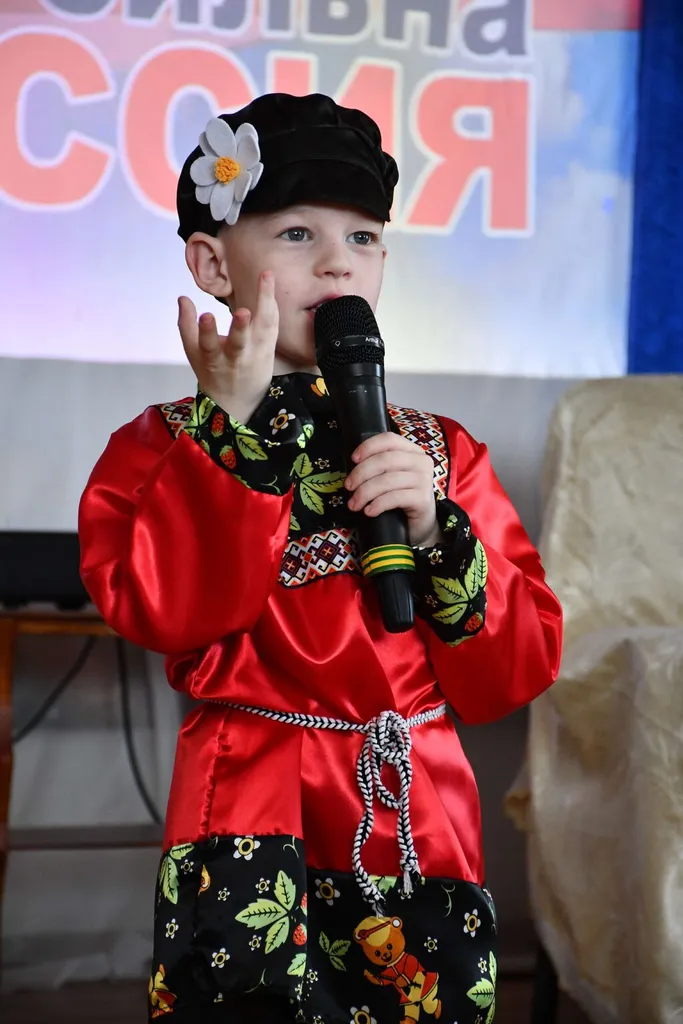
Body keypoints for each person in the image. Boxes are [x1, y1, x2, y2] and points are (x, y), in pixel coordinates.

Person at [79, 92, 562, 1024]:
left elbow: (517, 668)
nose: (339, 260)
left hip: (407, 804)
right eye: (298, 233)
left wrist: (435, 532)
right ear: (212, 263)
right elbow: (162, 611)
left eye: (364, 238)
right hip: (249, 799)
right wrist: (232, 438)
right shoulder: (163, 447)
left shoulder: (438, 453)